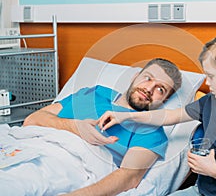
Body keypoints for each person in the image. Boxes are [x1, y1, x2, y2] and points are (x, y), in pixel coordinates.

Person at [99, 33, 216, 195]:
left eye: (212, 76)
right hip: (201, 191)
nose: (207, 82)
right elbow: (169, 116)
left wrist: (213, 171)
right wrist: (125, 115)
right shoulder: (211, 102)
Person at [23, 58, 182, 195]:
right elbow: (32, 120)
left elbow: (129, 177)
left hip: (59, 169)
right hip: (28, 149)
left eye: (160, 89)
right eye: (147, 78)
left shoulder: (151, 129)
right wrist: (75, 127)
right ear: (135, 77)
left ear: (164, 101)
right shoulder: (95, 93)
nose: (149, 89)